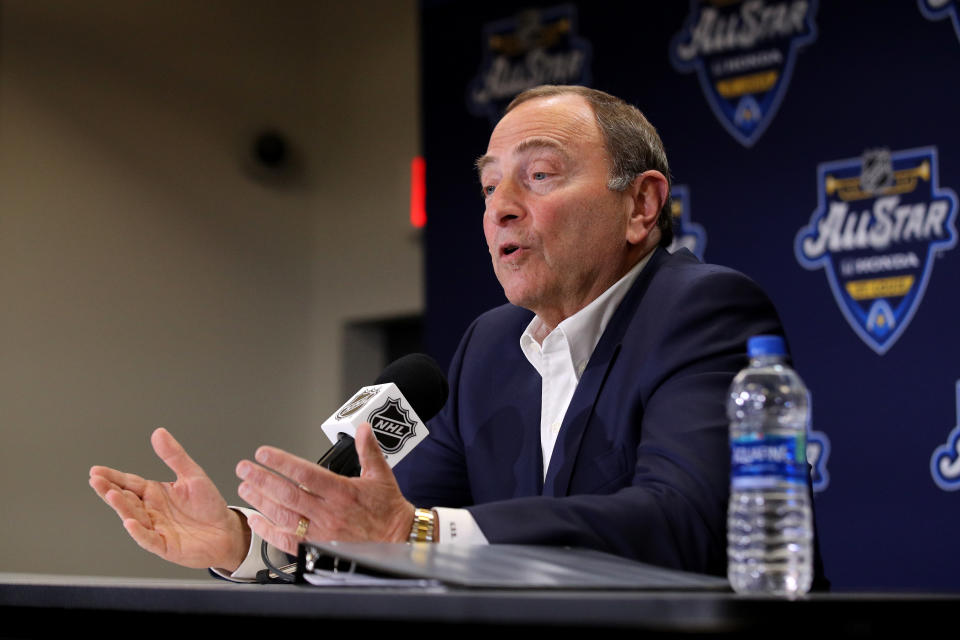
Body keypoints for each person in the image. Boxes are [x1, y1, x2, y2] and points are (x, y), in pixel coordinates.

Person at [90, 85, 824, 584]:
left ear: (641, 206)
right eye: (488, 186)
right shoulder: (491, 348)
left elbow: (685, 521)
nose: (500, 207)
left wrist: (417, 534)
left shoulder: (704, 310)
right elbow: (382, 520)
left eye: (538, 175)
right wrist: (246, 540)